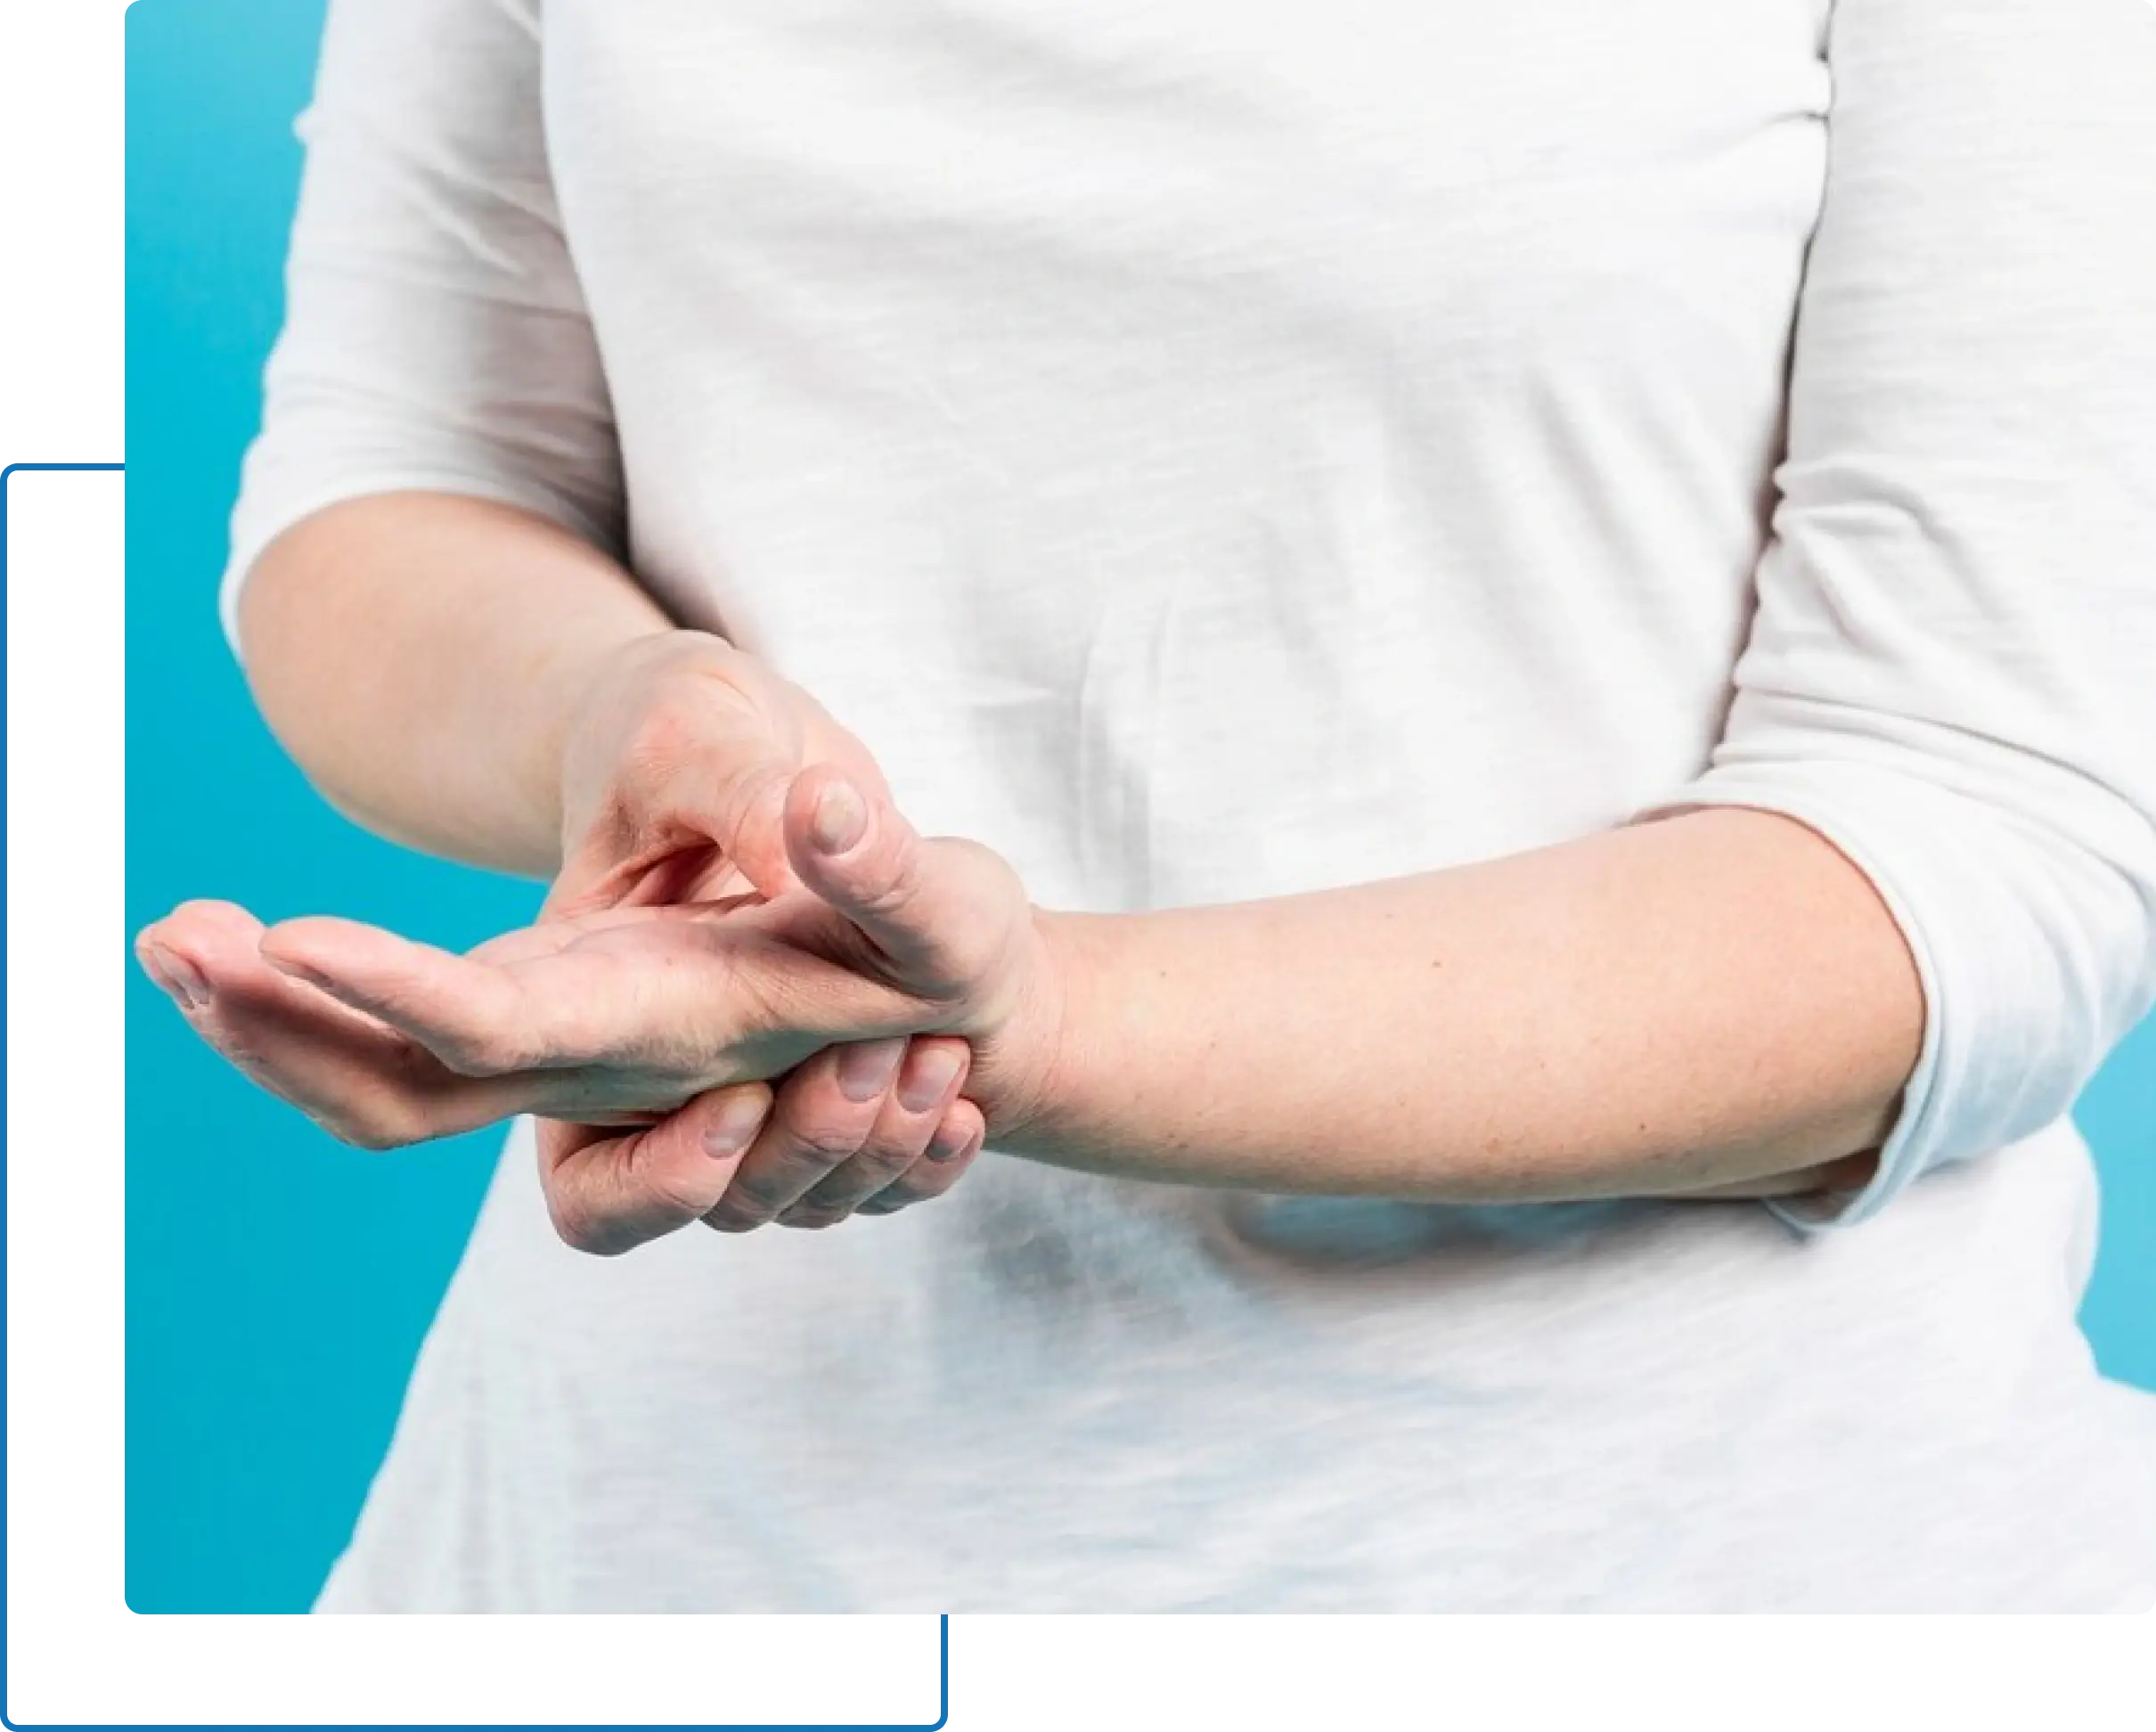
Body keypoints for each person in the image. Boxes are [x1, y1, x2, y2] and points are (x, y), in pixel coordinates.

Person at [134, 0, 2156, 1615]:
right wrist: (624, 712)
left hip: (1688, 1563)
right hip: (624, 1558)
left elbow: (1978, 839)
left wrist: (1022, 1019)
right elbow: (391, 486)